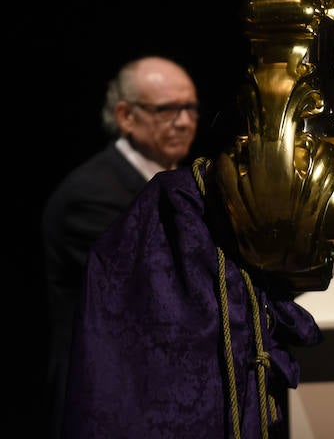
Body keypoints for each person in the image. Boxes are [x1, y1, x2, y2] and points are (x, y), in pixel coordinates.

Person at [41, 55, 200, 439]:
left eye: (190, 108)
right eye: (166, 110)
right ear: (127, 116)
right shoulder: (92, 195)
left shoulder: (182, 179)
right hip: (107, 399)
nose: (183, 121)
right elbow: (157, 290)